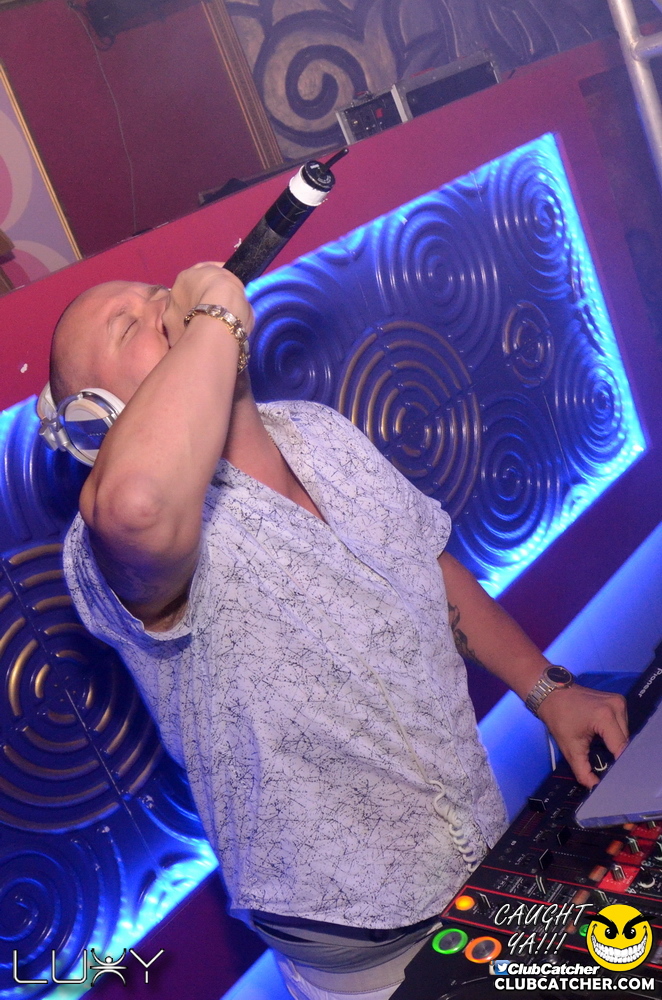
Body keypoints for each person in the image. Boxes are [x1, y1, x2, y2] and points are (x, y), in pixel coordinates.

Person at [52, 262, 628, 1000]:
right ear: (100, 420)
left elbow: (424, 564)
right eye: (129, 326)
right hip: (369, 950)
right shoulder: (103, 553)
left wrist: (548, 690)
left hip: (484, 861)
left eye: (156, 293)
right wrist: (217, 316)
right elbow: (138, 504)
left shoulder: (318, 430)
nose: (163, 304)